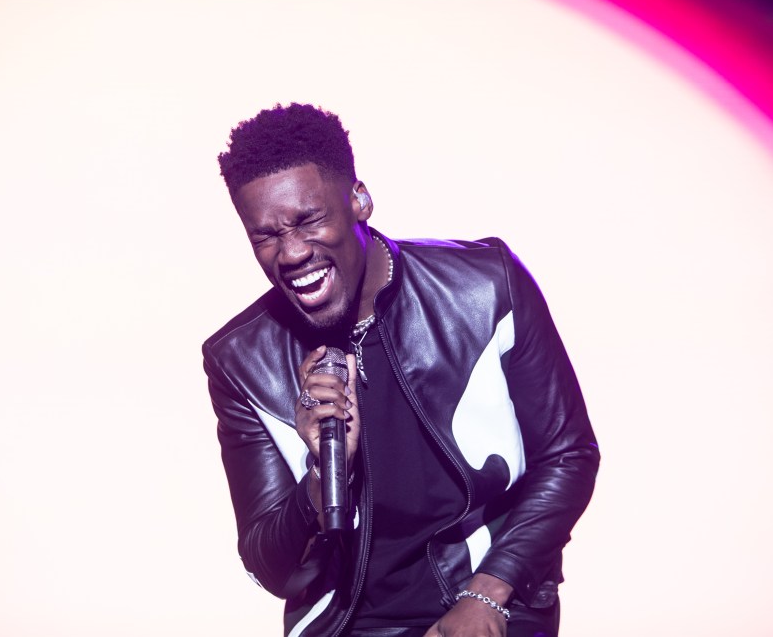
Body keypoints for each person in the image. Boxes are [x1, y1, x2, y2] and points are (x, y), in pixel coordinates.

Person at [202, 103, 599, 637]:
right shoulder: (241, 361)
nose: (291, 253)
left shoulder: (485, 289)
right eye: (265, 236)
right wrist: (319, 479)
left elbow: (568, 455)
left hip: (489, 597)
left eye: (308, 220)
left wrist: (490, 590)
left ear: (359, 201)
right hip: (345, 624)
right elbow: (270, 566)